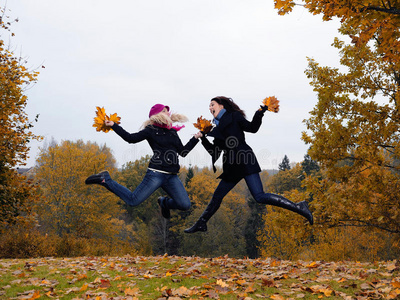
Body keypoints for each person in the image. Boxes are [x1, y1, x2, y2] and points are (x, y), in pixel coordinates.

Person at [184, 96, 313, 233]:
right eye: (209, 106)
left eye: (212, 105)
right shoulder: (216, 128)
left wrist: (260, 112)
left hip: (244, 159)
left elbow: (252, 128)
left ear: (221, 106)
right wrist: (203, 138)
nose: (210, 108)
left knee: (259, 196)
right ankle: (201, 223)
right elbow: (213, 152)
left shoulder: (234, 116)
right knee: (217, 196)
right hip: (232, 166)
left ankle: (299, 207)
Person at [85, 104, 202, 219]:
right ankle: (106, 179)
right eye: (165, 111)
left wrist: (195, 138)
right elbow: (130, 138)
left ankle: (164, 203)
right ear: (158, 115)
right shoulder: (150, 130)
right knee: (133, 200)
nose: (168, 113)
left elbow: (183, 152)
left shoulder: (172, 132)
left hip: (171, 176)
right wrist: (114, 125)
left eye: (168, 111)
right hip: (156, 174)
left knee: (185, 205)